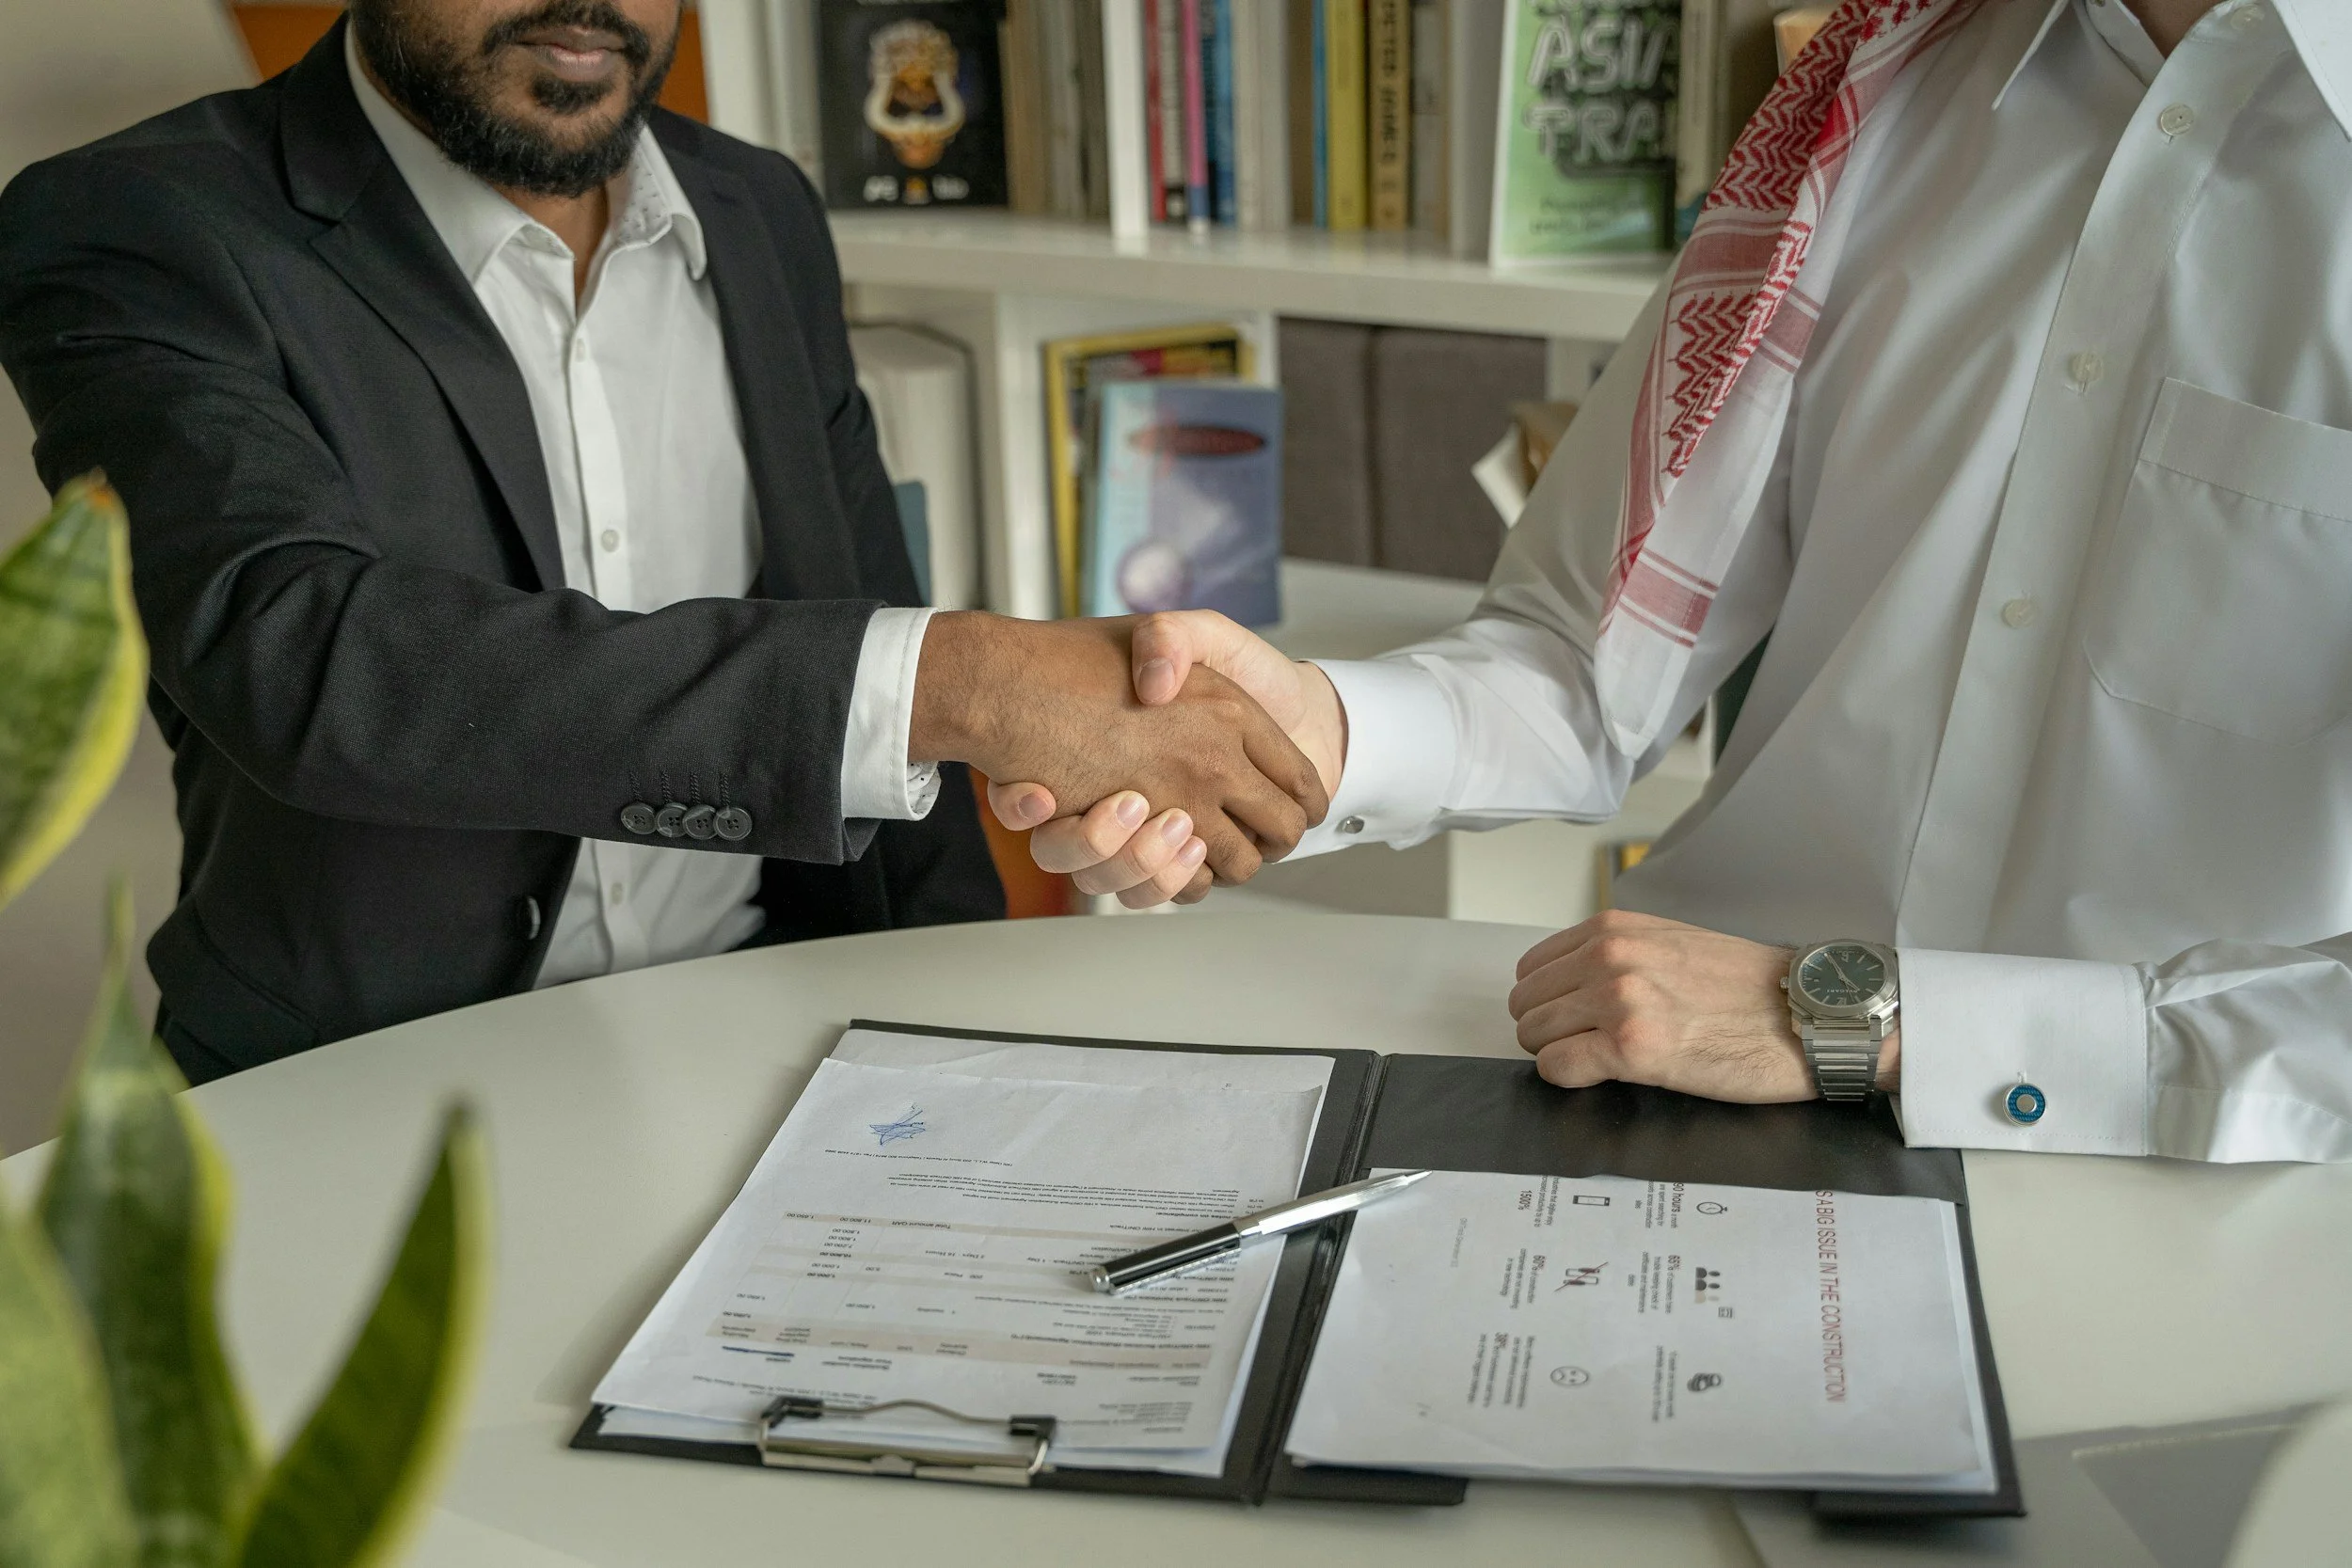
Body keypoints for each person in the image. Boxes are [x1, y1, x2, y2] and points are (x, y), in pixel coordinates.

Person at [1010, 0, 2352, 1164]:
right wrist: (1308, 736)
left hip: (2189, 1199)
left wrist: (1867, 1024)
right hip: (1686, 1109)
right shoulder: (1881, 85)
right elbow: (1582, 662)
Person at [0, 0, 1323, 1083]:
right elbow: (306, 655)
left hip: (782, 1053)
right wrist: (964, 682)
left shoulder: (764, 214)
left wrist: (974, 1051)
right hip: (355, 1094)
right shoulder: (136, 226)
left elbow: (869, 608)